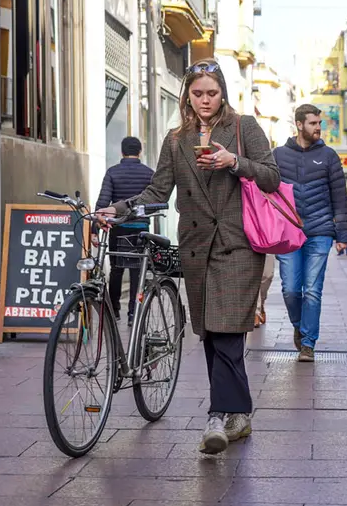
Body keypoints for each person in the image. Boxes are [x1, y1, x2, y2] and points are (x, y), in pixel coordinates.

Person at [97, 59, 280, 453]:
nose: (205, 101)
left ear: (223, 93)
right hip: (196, 247)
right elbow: (157, 192)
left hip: (238, 245)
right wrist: (119, 209)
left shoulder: (243, 127)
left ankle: (217, 416)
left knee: (229, 330)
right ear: (187, 96)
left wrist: (235, 163)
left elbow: (272, 176)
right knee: (211, 334)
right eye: (197, 94)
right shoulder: (176, 138)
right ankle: (240, 413)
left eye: (212, 93)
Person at [273, 104, 347, 362]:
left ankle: (308, 343)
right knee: (290, 289)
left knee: (313, 290)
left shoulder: (329, 156)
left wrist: (342, 235)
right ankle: (299, 324)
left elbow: (340, 196)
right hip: (288, 231)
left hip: (320, 231)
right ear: (298, 124)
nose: (318, 127)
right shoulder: (278, 155)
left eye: (319, 123)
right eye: (313, 123)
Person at [95, 137, 154, 324]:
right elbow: (153, 203)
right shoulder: (149, 174)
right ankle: (133, 313)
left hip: (118, 228)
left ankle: (114, 310)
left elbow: (103, 203)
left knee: (116, 269)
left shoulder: (113, 172)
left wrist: (94, 230)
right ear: (140, 151)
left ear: (122, 152)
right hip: (140, 229)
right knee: (138, 271)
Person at [255, 254, 274, 328]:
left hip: (268, 245)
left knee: (267, 275)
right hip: (247, 243)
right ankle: (256, 311)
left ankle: (261, 301)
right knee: (252, 275)